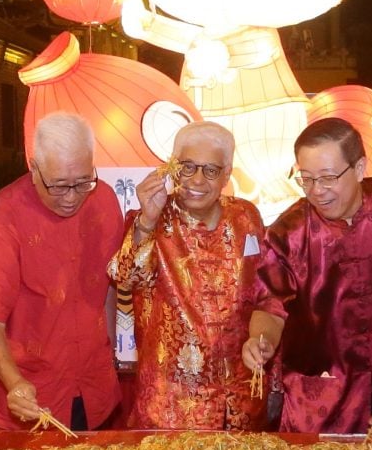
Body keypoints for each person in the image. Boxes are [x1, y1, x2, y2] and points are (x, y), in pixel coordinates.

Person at [245, 116, 372, 434]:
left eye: (328, 177)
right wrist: (260, 341)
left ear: (359, 168)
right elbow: (270, 308)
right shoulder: (287, 232)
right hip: (321, 401)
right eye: (306, 179)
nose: (317, 191)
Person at [0, 111, 126, 430]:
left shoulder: (105, 200)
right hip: (27, 391)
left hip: (94, 385)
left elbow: (108, 285)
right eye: (58, 185)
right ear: (33, 167)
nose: (71, 197)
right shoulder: (0, 221)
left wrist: (109, 351)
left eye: (83, 182)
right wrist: (14, 382)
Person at [112, 121, 266, 430]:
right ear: (171, 168)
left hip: (238, 400)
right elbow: (124, 277)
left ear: (226, 175)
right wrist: (147, 220)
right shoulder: (151, 219)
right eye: (187, 167)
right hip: (171, 405)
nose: (197, 179)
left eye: (210, 170)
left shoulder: (245, 217)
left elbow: (266, 290)